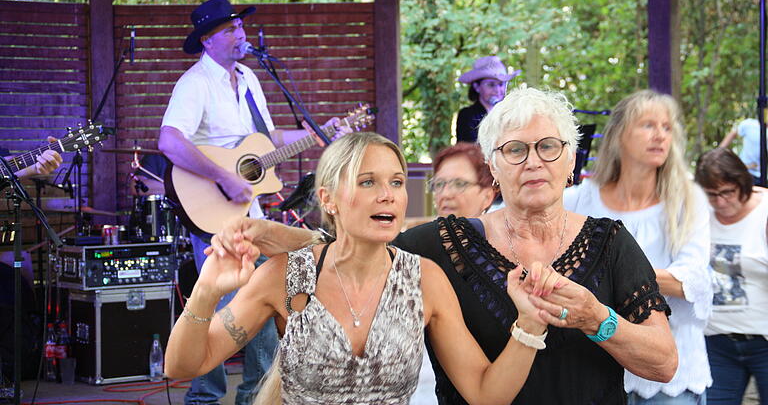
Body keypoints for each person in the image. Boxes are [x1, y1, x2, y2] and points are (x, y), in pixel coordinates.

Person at [211, 87, 678, 404]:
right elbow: (352, 247)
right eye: (515, 150)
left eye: (548, 147)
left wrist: (597, 319)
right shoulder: (445, 244)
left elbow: (663, 363)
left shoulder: (609, 241)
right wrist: (271, 235)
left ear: (571, 159)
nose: (533, 162)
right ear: (493, 169)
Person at [166, 131, 564, 405]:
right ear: (330, 199)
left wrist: (529, 323)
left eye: (396, 182)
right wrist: (207, 291)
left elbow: (484, 393)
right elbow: (183, 365)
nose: (388, 196)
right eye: (368, 182)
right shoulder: (286, 276)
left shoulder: (424, 280)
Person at [157, 0, 349, 405]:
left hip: (254, 215)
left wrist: (320, 131)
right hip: (215, 214)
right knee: (226, 315)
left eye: (240, 26)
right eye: (230, 29)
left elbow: (268, 141)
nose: (240, 33)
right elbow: (168, 140)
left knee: (263, 311)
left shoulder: (249, 79)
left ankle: (255, 398)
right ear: (207, 40)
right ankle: (204, 400)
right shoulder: (195, 83)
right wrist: (225, 177)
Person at [565, 89, 712, 404]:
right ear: (619, 135)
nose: (660, 135)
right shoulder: (582, 198)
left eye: (667, 127)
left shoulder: (688, 199)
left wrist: (610, 276)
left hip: (669, 376)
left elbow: (691, 279)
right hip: (595, 366)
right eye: (647, 125)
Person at [694, 148, 768, 404]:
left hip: (764, 340)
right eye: (712, 195)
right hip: (717, 342)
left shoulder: (764, 211)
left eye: (727, 192)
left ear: (743, 183)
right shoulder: (699, 213)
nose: (721, 202)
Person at [403, 142, 496, 230]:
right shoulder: (413, 241)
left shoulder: (502, 243)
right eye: (439, 184)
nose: (445, 194)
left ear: (487, 197)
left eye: (459, 184)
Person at [455, 56, 519, 143]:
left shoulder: (509, 115)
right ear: (476, 87)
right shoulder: (467, 115)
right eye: (491, 85)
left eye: (501, 84)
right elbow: (469, 149)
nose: (497, 90)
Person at [719, 118, 766, 184]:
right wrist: (718, 152)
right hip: (745, 172)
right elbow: (732, 134)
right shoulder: (749, 124)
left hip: (763, 176)